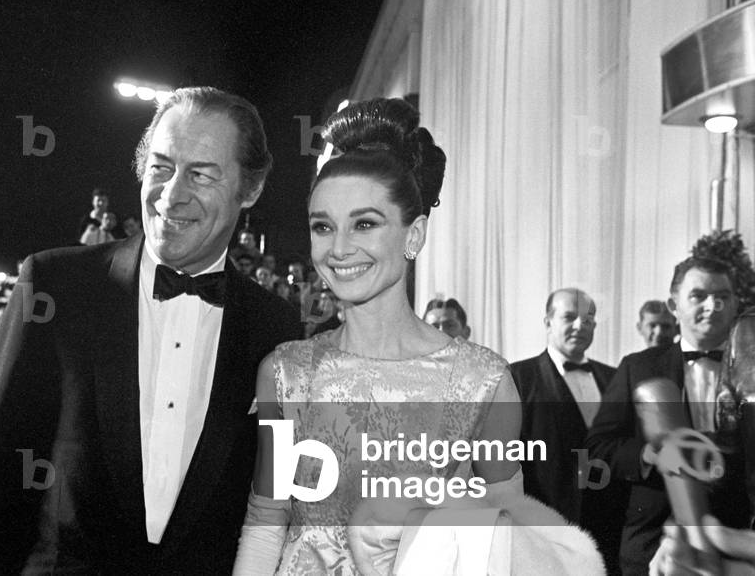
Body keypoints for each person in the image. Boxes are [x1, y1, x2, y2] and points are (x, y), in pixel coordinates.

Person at [234, 98, 602, 574]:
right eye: (323, 226)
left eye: (365, 223)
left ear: (414, 235)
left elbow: (505, 542)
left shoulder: (482, 382)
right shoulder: (286, 373)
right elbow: (266, 522)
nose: (339, 248)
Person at [0, 87, 300, 574]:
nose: (171, 195)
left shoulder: (276, 328)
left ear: (251, 188)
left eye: (201, 174)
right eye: (161, 167)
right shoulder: (54, 286)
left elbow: (275, 505)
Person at [586, 256, 746, 575]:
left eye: (722, 297)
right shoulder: (637, 367)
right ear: (674, 306)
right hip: (653, 545)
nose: (712, 306)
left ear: (734, 305)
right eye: (698, 296)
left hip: (737, 544)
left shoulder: (751, 371)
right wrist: (651, 454)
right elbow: (597, 448)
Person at [510, 288, 622, 572]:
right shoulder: (517, 378)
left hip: (609, 530)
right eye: (569, 317)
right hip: (547, 534)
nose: (580, 326)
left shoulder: (615, 378)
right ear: (548, 322)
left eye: (588, 320)